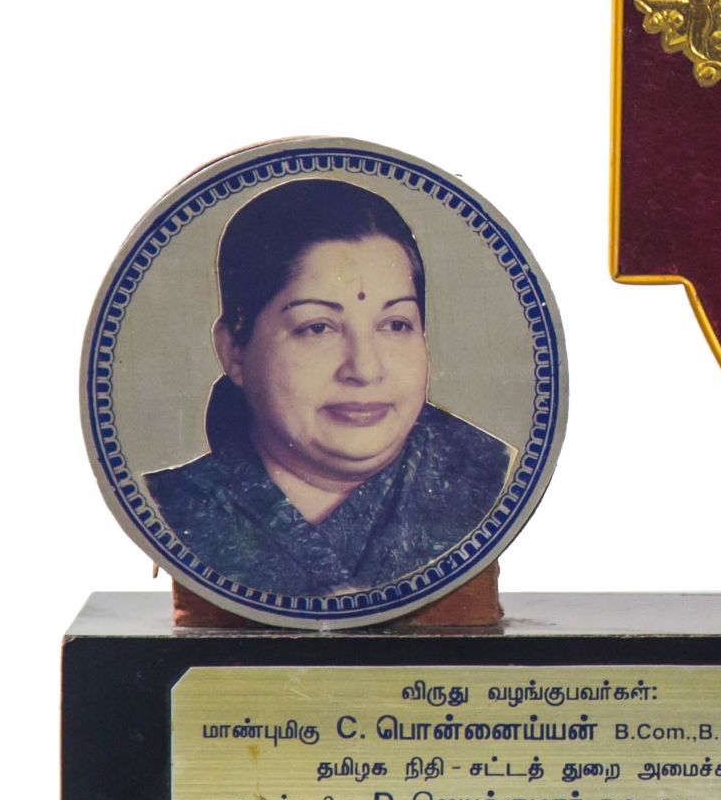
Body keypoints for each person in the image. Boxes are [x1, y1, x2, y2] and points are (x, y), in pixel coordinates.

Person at [149, 178, 512, 597]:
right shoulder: (171, 509)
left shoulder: (494, 480)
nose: (365, 369)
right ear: (233, 350)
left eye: (395, 325)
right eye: (318, 328)